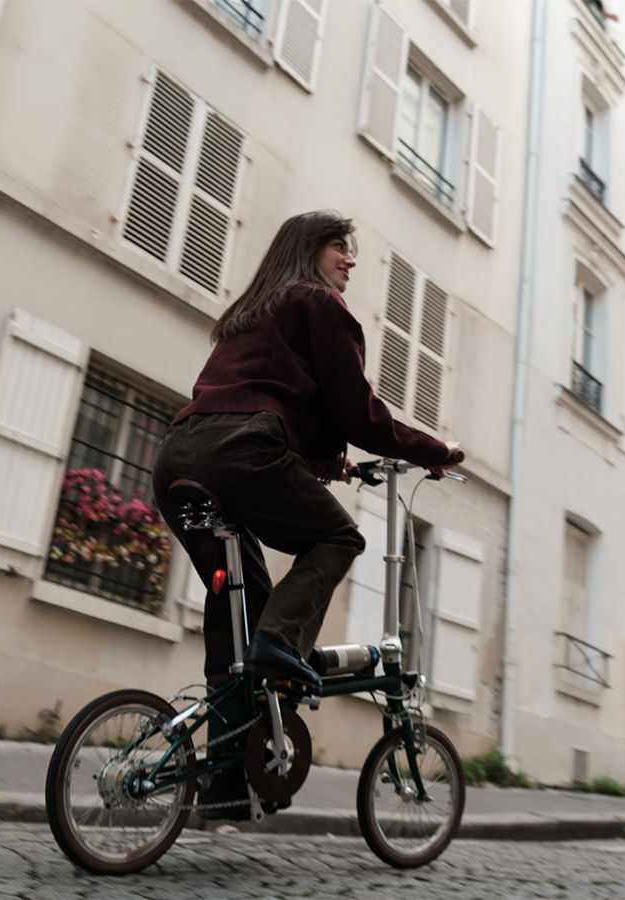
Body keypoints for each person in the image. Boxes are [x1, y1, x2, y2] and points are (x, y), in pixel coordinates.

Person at [152, 211, 464, 694]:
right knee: (338, 538)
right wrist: (433, 449)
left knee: (240, 600)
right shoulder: (319, 300)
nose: (350, 260)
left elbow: (269, 394)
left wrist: (326, 463)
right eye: (339, 246)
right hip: (238, 452)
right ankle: (279, 646)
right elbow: (355, 410)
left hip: (178, 457)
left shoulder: (252, 311)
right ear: (307, 248)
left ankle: (229, 721)